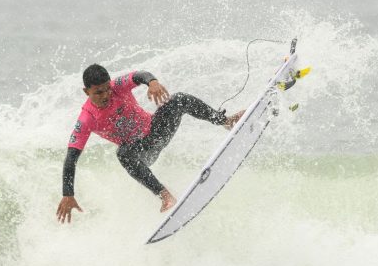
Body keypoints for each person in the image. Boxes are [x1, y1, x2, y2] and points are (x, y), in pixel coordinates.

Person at [56, 64, 244, 223]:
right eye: (98, 92)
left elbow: (140, 75)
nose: (105, 95)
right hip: (141, 151)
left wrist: (152, 82)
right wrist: (68, 193)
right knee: (123, 154)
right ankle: (165, 196)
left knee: (179, 100)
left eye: (107, 89)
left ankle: (225, 121)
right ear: (86, 91)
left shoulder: (117, 87)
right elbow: (71, 157)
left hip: (157, 131)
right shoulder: (86, 119)